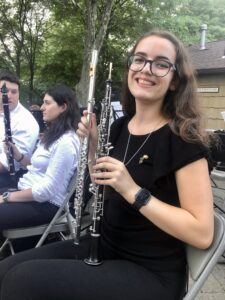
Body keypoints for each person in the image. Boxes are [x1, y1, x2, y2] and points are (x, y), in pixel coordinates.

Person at [0, 30, 214, 300]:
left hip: (148, 271)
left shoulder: (183, 138)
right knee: (5, 271)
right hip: (103, 245)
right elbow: (102, 187)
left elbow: (202, 233)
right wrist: (92, 147)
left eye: (161, 64)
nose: (146, 69)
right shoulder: (120, 126)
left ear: (174, 80)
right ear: (130, 68)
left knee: (21, 283)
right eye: (139, 60)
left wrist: (133, 191)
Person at [0, 84, 80, 244]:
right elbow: (37, 168)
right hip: (29, 194)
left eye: (47, 103)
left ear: (63, 107)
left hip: (46, 205)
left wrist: (7, 197)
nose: (42, 107)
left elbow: (47, 191)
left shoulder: (66, 142)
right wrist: (17, 155)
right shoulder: (53, 135)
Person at [0, 71, 40, 190]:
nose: (9, 95)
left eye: (14, 92)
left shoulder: (26, 121)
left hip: (10, 176)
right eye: (5, 91)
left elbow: (6, 164)